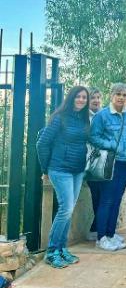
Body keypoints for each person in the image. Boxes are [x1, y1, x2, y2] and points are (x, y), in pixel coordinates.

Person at [37, 86, 90, 267]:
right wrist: (45, 169)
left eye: (84, 97)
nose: (81, 100)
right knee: (65, 209)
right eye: (78, 97)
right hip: (60, 169)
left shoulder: (84, 119)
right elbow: (42, 144)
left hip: (77, 170)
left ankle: (61, 248)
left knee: (69, 209)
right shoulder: (59, 118)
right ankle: (51, 252)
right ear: (71, 98)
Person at [90, 83, 126, 251]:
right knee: (107, 199)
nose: (121, 97)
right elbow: (93, 137)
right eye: (118, 94)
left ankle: (110, 233)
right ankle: (101, 237)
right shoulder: (102, 115)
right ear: (111, 95)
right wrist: (111, 144)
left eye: (124, 94)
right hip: (111, 162)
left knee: (117, 199)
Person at [86, 86, 103, 241]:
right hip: (90, 162)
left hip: (104, 161)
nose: (96, 100)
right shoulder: (84, 117)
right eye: (93, 98)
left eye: (98, 97)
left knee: (105, 195)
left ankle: (99, 227)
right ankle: (97, 228)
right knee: (97, 195)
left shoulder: (104, 115)